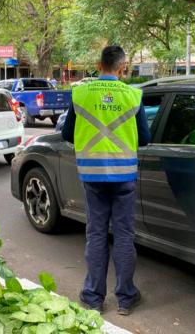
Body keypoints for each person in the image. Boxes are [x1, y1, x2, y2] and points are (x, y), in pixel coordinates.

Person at [62, 45, 151, 315]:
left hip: (92, 175)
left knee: (96, 234)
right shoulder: (133, 95)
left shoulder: (80, 93)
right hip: (124, 176)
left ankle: (93, 298)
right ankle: (126, 298)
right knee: (124, 235)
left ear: (99, 65)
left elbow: (67, 133)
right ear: (123, 68)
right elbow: (145, 138)